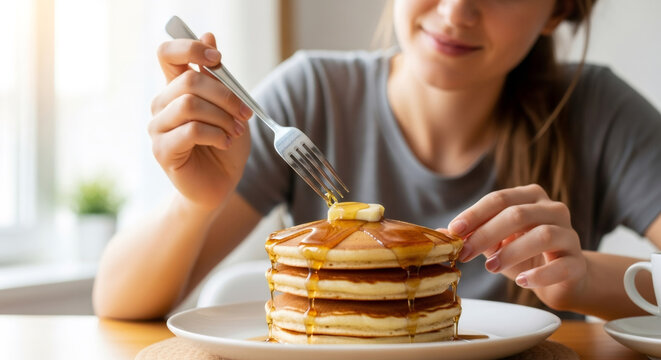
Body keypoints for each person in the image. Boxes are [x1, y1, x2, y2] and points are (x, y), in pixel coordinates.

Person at [93, 0, 661, 321]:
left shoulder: (597, 110)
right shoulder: (309, 94)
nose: (458, 9)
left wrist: (588, 280)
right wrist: (194, 205)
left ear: (560, 11)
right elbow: (116, 305)